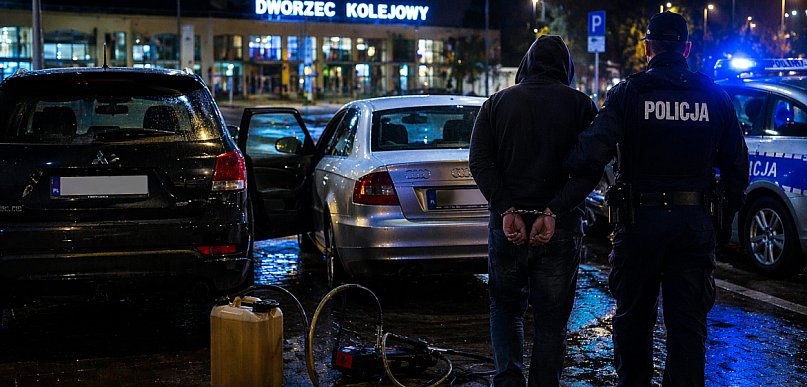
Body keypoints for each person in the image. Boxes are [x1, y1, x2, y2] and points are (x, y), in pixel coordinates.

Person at [564, 12, 749, 386]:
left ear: (647, 47)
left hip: (639, 224)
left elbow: (590, 153)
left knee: (633, 321)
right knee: (687, 326)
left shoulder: (631, 93)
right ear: (687, 48)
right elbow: (737, 168)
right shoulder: (714, 96)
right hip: (693, 225)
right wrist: (720, 222)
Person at [469, 35, 599, 386]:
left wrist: (506, 208)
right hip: (560, 230)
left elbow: (479, 161)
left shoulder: (496, 104)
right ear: (566, 68)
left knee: (505, 309)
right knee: (551, 321)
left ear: (526, 65)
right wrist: (554, 210)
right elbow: (592, 168)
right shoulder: (582, 106)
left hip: (507, 227)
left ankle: (508, 381)